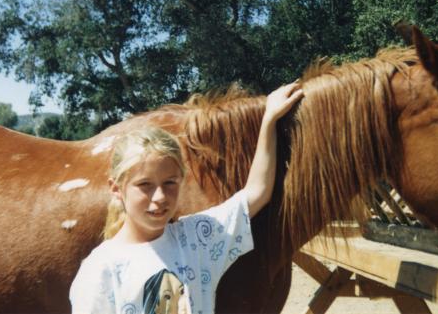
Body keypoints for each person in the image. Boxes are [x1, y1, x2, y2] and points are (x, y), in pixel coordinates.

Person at [69, 82, 303, 314]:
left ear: (181, 180)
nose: (159, 197)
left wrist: (269, 120)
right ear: (117, 188)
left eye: (169, 183)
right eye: (144, 185)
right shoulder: (100, 270)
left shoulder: (196, 238)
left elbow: (257, 193)